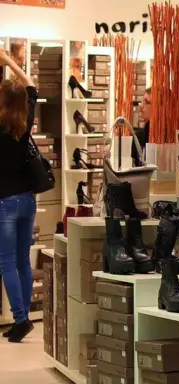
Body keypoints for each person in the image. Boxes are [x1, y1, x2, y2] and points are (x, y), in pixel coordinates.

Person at [0, 47, 38, 342]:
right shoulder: (25, 123)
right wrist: (8, 61)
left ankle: (20, 318)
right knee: (23, 260)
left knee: (7, 261)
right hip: (28, 199)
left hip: (5, 202)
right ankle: (24, 317)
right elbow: (30, 85)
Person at [131, 87, 150, 166]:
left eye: (146, 102)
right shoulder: (139, 136)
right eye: (142, 101)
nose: (141, 105)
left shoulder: (175, 139)